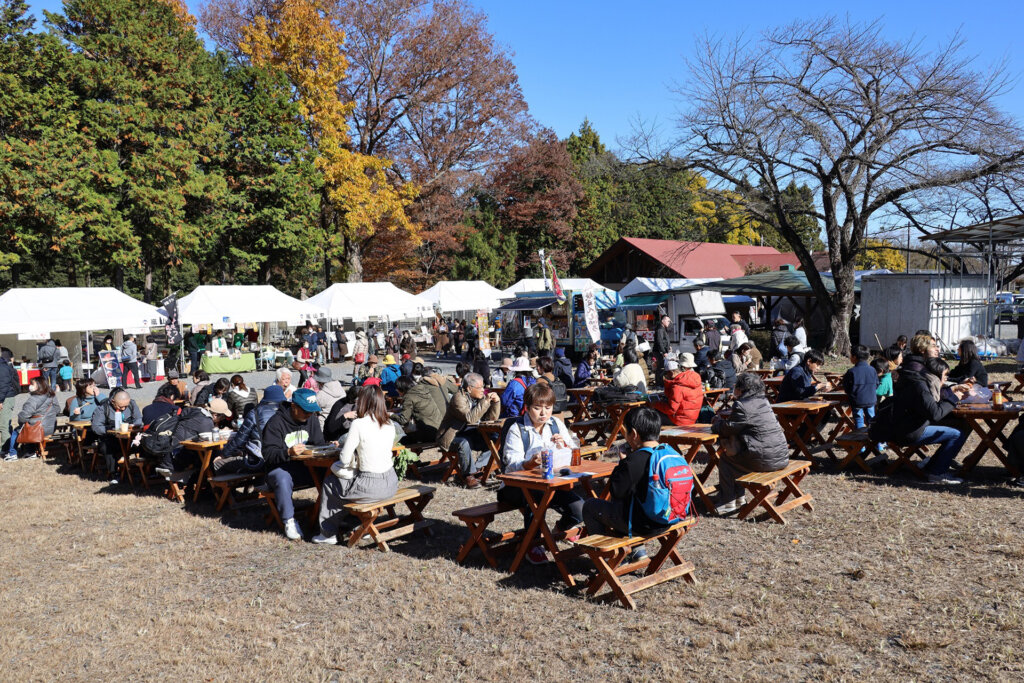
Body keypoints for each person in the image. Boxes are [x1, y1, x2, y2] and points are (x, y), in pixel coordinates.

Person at [498, 382, 582, 564]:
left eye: (548, 408)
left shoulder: (556, 424)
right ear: (527, 408)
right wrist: (528, 463)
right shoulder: (517, 429)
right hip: (515, 487)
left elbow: (573, 450)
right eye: (537, 408)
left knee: (579, 508)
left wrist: (564, 445)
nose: (543, 413)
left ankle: (561, 528)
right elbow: (510, 465)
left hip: (551, 483)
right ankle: (531, 544)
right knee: (536, 498)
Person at [581, 406, 686, 547]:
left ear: (634, 434)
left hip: (643, 525)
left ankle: (607, 557)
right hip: (670, 519)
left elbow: (616, 491)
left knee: (590, 506)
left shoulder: (635, 460)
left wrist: (623, 462)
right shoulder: (670, 453)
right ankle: (638, 552)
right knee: (630, 505)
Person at [313, 385, 397, 544]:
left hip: (370, 484)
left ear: (363, 401)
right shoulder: (389, 423)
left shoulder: (359, 424)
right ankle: (361, 525)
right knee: (346, 487)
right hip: (391, 482)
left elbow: (344, 459)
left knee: (331, 484)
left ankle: (327, 533)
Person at [870, 357, 970, 485]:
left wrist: (952, 392)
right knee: (957, 434)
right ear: (936, 374)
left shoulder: (918, 381)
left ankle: (932, 467)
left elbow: (931, 405)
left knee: (959, 425)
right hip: (908, 431)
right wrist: (953, 399)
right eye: (945, 375)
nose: (946, 378)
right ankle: (936, 473)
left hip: (902, 426)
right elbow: (935, 413)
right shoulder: (920, 387)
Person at [711, 373, 790, 514]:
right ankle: (739, 498)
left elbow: (727, 429)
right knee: (738, 455)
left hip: (765, 460)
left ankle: (728, 501)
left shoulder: (742, 405)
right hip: (781, 457)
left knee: (726, 460)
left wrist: (716, 422)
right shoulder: (764, 402)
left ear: (742, 389)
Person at [261, 388, 327, 540]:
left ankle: (334, 515)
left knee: (332, 472)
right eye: (305, 411)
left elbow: (318, 444)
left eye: (311, 411)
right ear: (293, 406)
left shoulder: (312, 419)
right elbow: (268, 454)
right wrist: (287, 453)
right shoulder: (275, 423)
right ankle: (289, 520)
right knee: (282, 478)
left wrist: (328, 446)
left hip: (306, 467)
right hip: (280, 468)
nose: (309, 414)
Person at [436, 372, 501, 488]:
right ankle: (468, 475)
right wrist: (485, 401)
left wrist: (496, 403)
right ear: (469, 388)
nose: (483, 390)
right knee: (463, 443)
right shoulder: (458, 398)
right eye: (480, 387)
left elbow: (490, 419)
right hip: (451, 437)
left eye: (483, 386)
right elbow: (470, 418)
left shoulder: (477, 398)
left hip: (470, 434)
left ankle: (479, 469)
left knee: (495, 439)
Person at [215, 385, 287, 474]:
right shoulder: (288, 411)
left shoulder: (255, 413)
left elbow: (239, 439)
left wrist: (224, 454)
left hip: (258, 461)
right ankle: (255, 485)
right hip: (283, 458)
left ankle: (228, 488)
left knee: (217, 464)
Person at [91, 388, 143, 483]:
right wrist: (110, 430)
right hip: (111, 438)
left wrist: (135, 425)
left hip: (129, 437)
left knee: (145, 442)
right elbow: (96, 427)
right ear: (113, 401)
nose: (123, 409)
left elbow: (138, 418)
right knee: (106, 447)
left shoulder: (132, 404)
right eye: (120, 407)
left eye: (126, 406)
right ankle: (114, 473)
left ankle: (144, 470)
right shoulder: (102, 408)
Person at [6, 376, 59, 461]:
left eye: (32, 384)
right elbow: (57, 410)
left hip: (38, 429)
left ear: (39, 385)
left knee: (18, 430)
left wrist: (21, 421)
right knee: (27, 426)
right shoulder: (52, 396)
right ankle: (30, 452)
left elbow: (23, 416)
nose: (30, 386)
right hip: (51, 428)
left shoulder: (33, 399)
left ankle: (12, 454)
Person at [653, 355, 703, 427]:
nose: (666, 376)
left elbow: (671, 410)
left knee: (650, 416)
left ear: (671, 373)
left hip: (679, 420)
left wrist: (655, 404)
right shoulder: (694, 379)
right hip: (692, 418)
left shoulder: (677, 386)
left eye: (666, 373)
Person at [392, 375, 443, 444]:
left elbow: (403, 420)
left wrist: (391, 415)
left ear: (401, 388)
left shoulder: (408, 397)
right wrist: (399, 410)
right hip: (439, 430)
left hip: (428, 434)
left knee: (398, 438)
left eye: (397, 389)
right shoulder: (422, 390)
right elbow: (419, 406)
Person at [842, 345, 879, 429]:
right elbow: (877, 383)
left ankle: (859, 439)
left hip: (857, 401)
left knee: (859, 420)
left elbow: (846, 387)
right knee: (871, 420)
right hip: (870, 400)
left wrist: (850, 394)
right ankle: (874, 439)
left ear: (854, 357)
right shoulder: (872, 370)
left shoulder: (851, 371)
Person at [0, 348, 19, 452]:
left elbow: (3, 385)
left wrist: (0, 401)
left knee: (4, 425)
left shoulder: (2, 367)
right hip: (4, 397)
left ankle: (6, 448)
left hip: (5, 398)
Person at [652, 314, 672, 384]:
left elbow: (664, 340)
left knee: (662, 366)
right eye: (668, 321)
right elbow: (659, 341)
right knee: (660, 367)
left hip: (662, 351)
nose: (669, 323)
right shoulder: (660, 329)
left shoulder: (663, 328)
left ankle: (660, 382)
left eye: (669, 321)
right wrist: (664, 352)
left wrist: (669, 346)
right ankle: (659, 382)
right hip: (659, 351)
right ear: (663, 321)